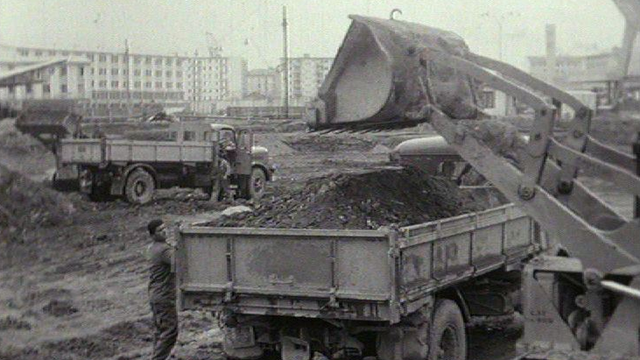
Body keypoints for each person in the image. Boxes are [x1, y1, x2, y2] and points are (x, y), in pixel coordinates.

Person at [146, 219, 178, 360]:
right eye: (160, 230)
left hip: (155, 294)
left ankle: (156, 356)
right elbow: (179, 261)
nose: (165, 232)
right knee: (170, 331)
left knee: (159, 331)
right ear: (153, 235)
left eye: (165, 228)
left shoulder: (152, 248)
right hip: (164, 296)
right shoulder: (163, 250)